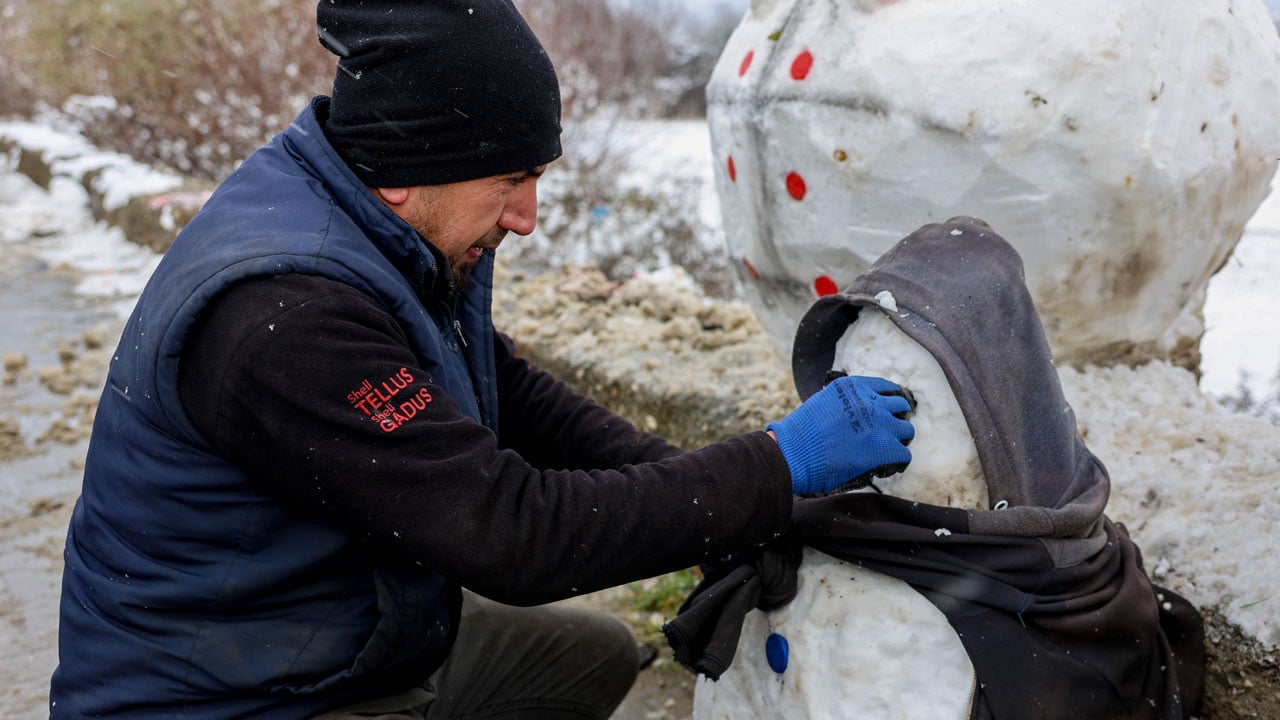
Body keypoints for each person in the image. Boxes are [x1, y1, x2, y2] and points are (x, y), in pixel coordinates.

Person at [49, 1, 915, 718]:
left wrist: (692, 489)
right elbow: (510, 535)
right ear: (408, 168)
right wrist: (776, 464)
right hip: (225, 697)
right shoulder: (287, 316)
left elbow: (514, 393)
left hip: (323, 633)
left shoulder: (384, 222)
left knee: (587, 658)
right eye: (510, 181)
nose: (528, 215)